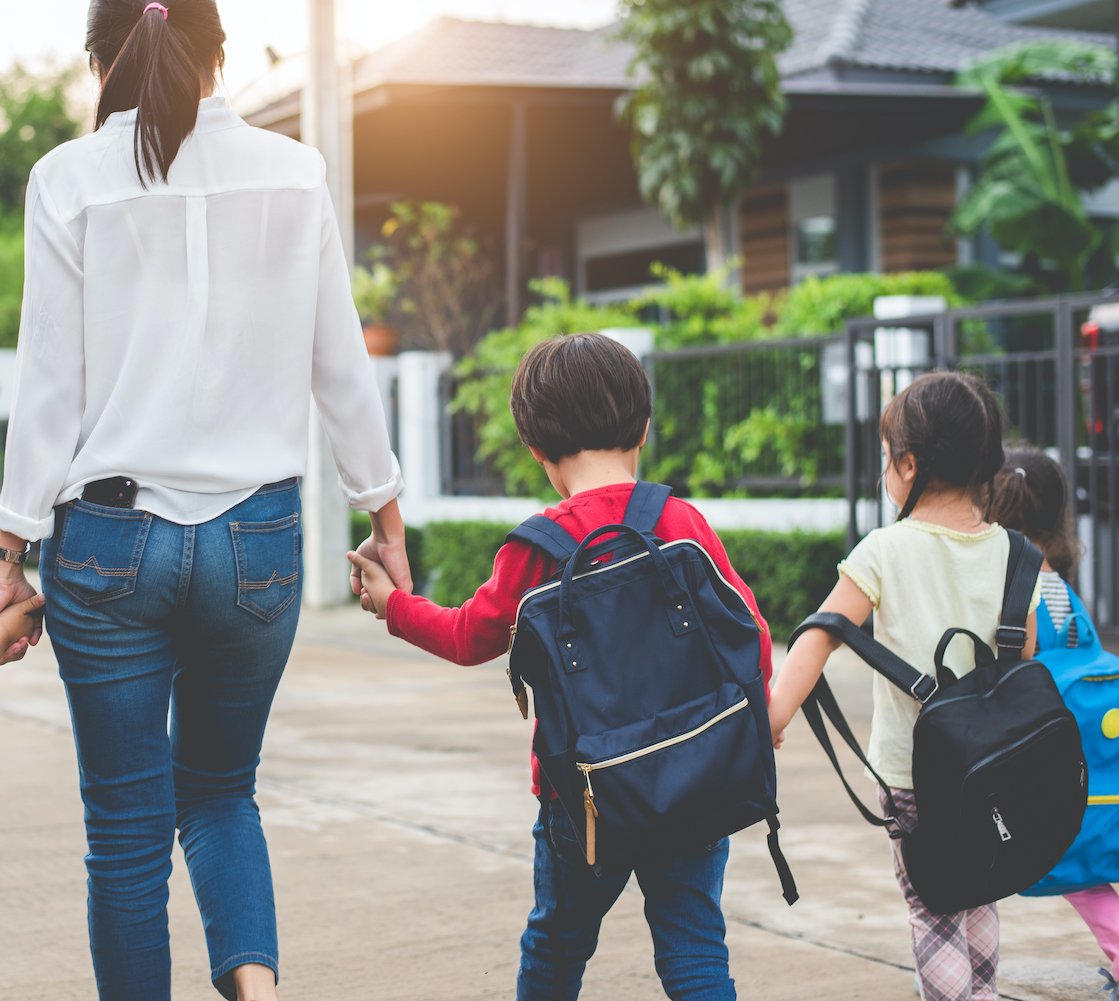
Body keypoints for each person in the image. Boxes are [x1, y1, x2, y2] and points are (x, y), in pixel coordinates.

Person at [0, 2, 410, 999]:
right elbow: (340, 362)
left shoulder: (67, 182)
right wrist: (385, 518)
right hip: (257, 537)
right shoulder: (294, 173)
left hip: (107, 542)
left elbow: (49, 387)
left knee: (128, 837)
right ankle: (258, 990)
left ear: (101, 57)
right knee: (223, 793)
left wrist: (8, 548)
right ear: (218, 53)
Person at [349, 332, 771, 1001]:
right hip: (694, 778)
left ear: (535, 447)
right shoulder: (678, 518)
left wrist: (392, 602)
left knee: (556, 943)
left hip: (584, 800)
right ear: (643, 426)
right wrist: (758, 716)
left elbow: (466, 634)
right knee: (694, 946)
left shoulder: (538, 547)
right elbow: (750, 630)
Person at [767, 370, 1039, 1001]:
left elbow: (819, 635)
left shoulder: (884, 551)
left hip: (916, 776)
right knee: (979, 893)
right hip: (994, 769)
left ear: (909, 465)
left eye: (885, 460)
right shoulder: (1016, 553)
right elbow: (1023, 654)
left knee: (933, 911)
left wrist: (772, 720)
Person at [988, 446, 1119, 1001]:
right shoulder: (1060, 588)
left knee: (1079, 871)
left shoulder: (1012, 585)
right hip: (1097, 752)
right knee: (1095, 859)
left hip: (1057, 758)